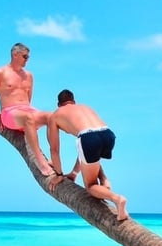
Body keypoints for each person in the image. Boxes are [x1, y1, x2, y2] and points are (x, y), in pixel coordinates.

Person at [46, 89, 129, 221]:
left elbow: (54, 149)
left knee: (90, 186)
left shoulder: (55, 115)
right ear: (73, 101)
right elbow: (84, 150)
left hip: (88, 138)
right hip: (107, 134)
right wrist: (74, 173)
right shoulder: (85, 107)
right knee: (91, 156)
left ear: (59, 104)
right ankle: (104, 180)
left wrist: (59, 175)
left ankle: (117, 199)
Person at [0, 42, 53, 176]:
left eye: (28, 57)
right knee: (29, 118)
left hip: (26, 112)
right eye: (25, 56)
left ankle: (53, 158)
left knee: (51, 117)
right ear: (15, 54)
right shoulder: (0, 73)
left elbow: (28, 100)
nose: (27, 59)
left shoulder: (29, 76)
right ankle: (40, 161)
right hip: (9, 113)